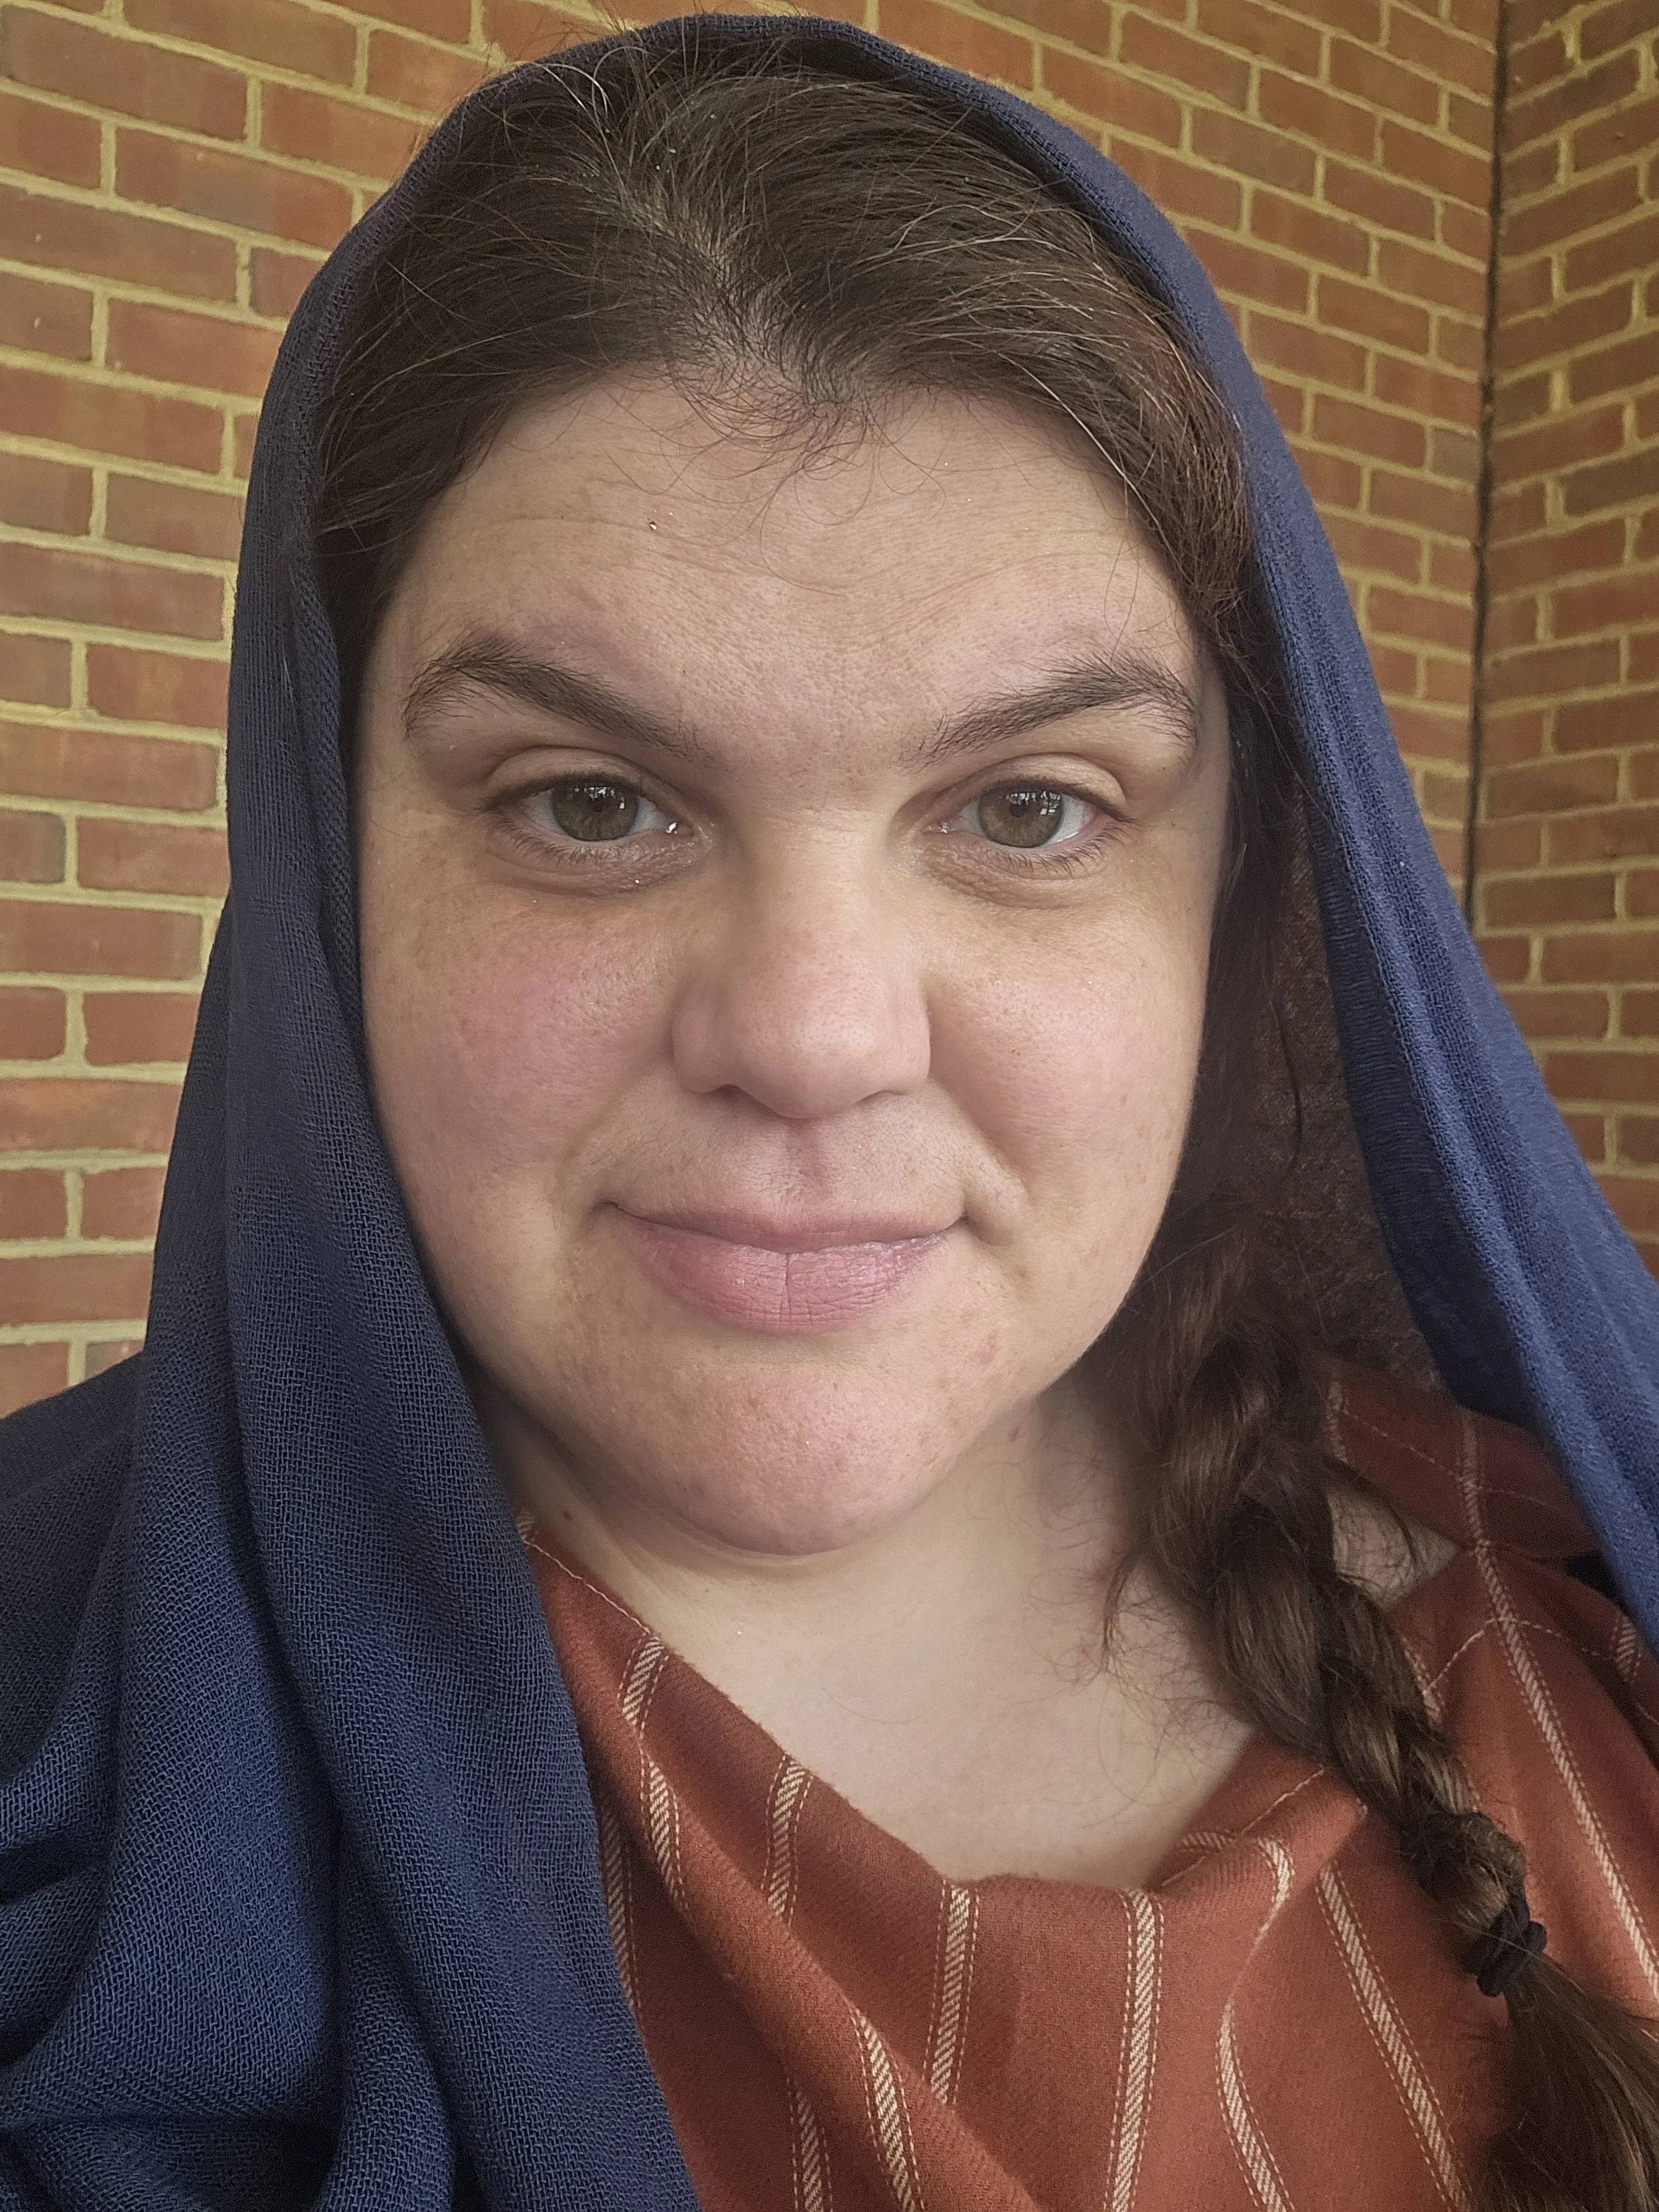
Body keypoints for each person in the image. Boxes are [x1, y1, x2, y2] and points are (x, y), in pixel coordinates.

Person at [3, 13, 1658, 2210]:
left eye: (1028, 807)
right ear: (329, 869)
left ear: (1245, 910)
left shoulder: (1582, 1628)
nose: (810, 1032)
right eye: (588, 801)